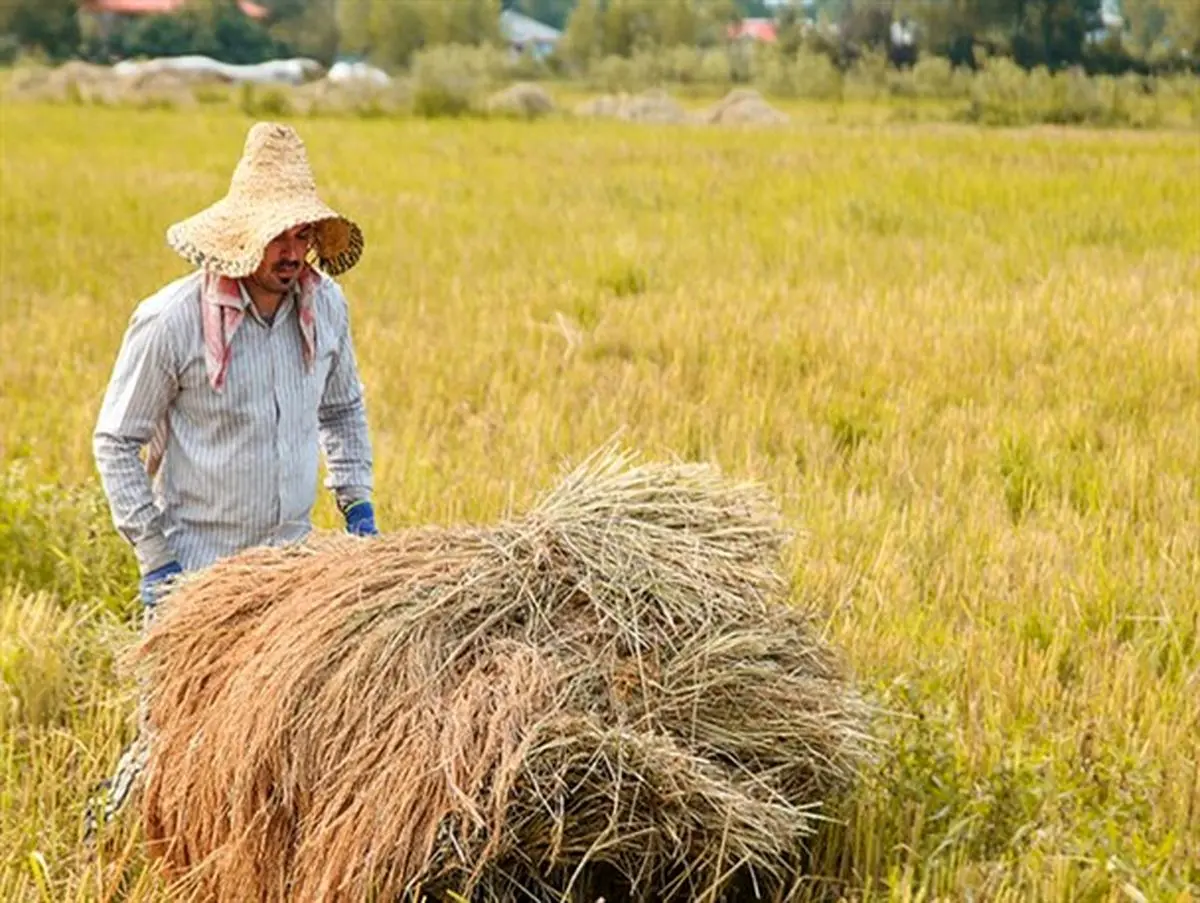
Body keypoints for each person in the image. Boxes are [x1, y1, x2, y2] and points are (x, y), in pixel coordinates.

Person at [85, 121, 377, 836]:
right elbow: (116, 441)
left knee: (274, 741)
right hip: (199, 572)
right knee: (172, 740)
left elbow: (343, 409)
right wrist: (158, 561)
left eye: (303, 233)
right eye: (278, 236)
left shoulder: (324, 308)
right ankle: (113, 846)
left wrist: (358, 504)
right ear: (242, 235)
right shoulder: (173, 322)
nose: (292, 251)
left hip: (289, 572)